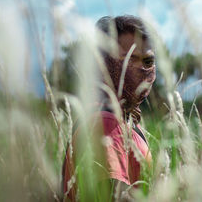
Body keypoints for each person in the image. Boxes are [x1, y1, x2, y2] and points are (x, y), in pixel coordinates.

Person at [62, 15, 156, 201]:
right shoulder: (106, 123)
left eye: (147, 62)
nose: (140, 70)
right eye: (128, 59)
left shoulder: (121, 119)